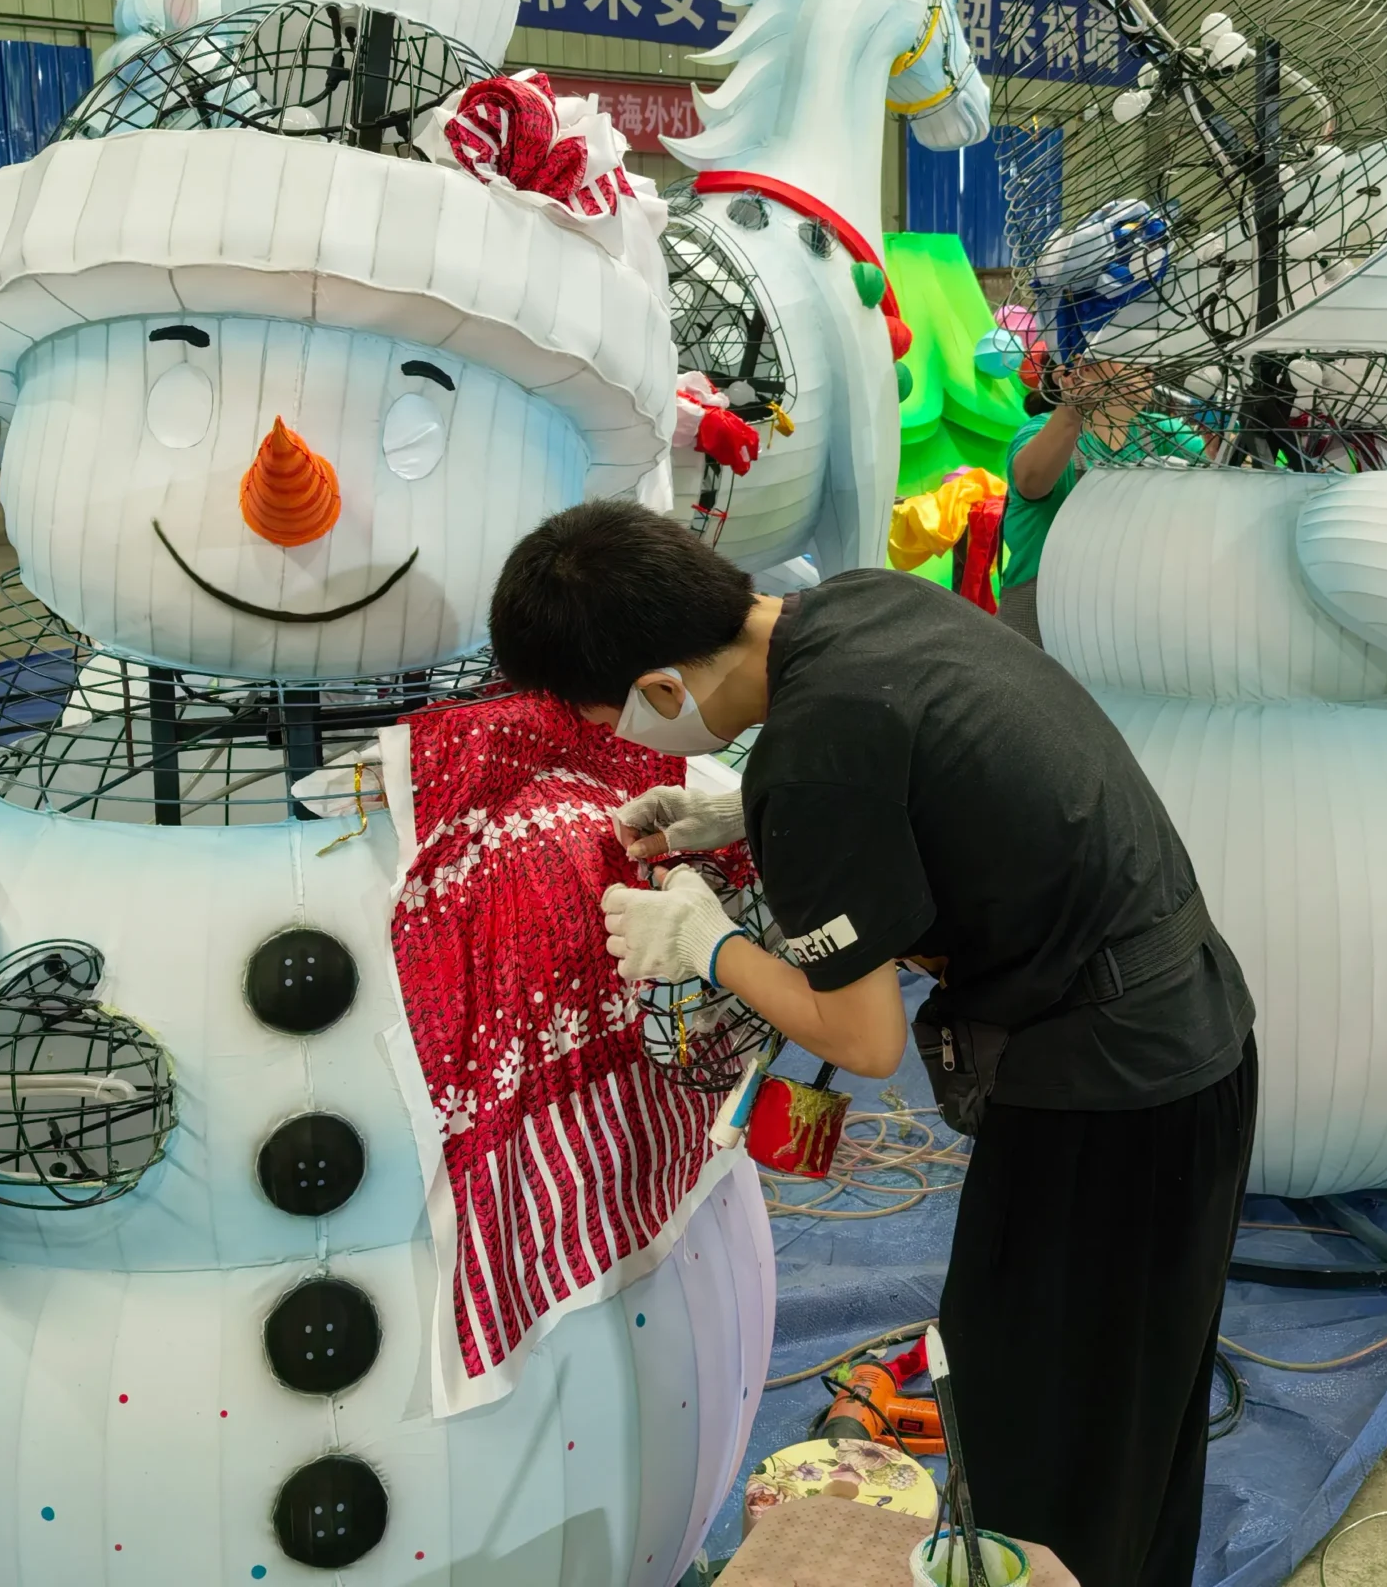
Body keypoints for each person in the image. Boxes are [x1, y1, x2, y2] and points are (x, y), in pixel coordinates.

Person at [489, 504, 1257, 1585]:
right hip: (1191, 1039)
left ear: (663, 690)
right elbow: (932, 780)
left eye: (619, 716)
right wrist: (739, 820)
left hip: (1106, 1101)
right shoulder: (862, 605)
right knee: (1134, 1418)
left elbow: (860, 1036)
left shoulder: (811, 763)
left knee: (1041, 1448)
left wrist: (702, 944)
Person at [1000, 359, 1194, 646]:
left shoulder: (1165, 436)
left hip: (1125, 618)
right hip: (1041, 618)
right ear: (1079, 367)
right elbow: (1030, 482)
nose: (1146, 366)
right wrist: (1070, 415)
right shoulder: (1042, 431)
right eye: (1128, 355)